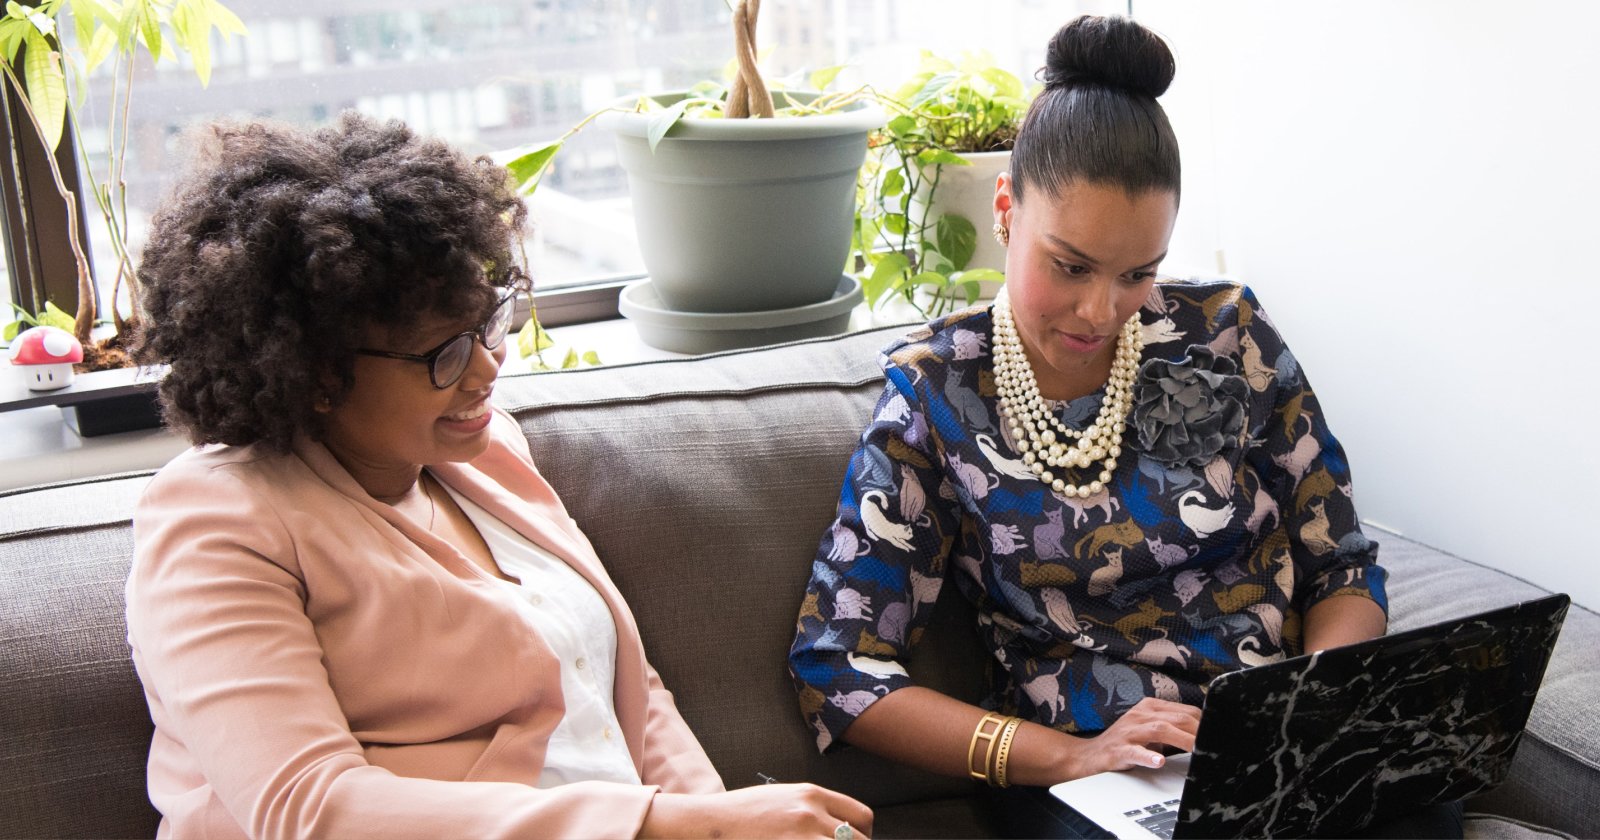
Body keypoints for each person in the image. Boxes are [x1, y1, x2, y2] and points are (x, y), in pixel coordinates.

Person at [788, 15, 1461, 839]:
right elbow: (839, 665)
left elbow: (1342, 565)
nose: (1101, 311)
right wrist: (1065, 757)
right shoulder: (934, 397)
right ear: (1006, 210)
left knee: (1424, 814)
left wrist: (1310, 711)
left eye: (1138, 273)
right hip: (1084, 769)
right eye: (1069, 266)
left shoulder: (1226, 334)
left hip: (1265, 748)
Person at [126, 112, 872, 840]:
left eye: (487, 325)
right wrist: (674, 824)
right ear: (315, 372)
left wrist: (716, 823)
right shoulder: (218, 523)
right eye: (441, 354)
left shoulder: (483, 454)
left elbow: (623, 693)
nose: (488, 369)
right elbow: (310, 809)